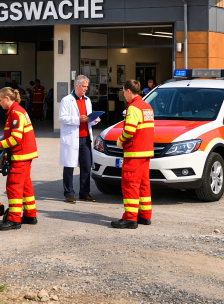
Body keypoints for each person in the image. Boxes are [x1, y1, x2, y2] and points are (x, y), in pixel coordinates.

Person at [0, 87, 38, 231]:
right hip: (26, 154)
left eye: (0, 100)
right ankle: (30, 215)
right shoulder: (18, 111)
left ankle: (14, 220)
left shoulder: (15, 113)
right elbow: (14, 133)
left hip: (20, 155)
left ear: (7, 99)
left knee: (14, 186)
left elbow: (16, 138)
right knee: (25, 185)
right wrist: (0, 138)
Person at [111, 79, 155, 229]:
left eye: (123, 91)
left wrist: (120, 140)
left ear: (129, 91)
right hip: (146, 153)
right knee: (144, 185)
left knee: (130, 184)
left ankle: (130, 218)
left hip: (134, 153)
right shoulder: (147, 107)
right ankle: (144, 215)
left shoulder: (134, 108)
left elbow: (129, 131)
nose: (123, 95)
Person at [59, 75, 101, 203]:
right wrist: (77, 120)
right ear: (76, 85)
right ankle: (69, 193)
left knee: (86, 166)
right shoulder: (66, 100)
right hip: (72, 138)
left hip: (85, 137)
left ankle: (84, 193)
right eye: (83, 86)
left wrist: (94, 120)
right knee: (69, 166)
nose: (85, 89)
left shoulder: (87, 100)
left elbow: (89, 119)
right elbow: (62, 118)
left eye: (86, 87)